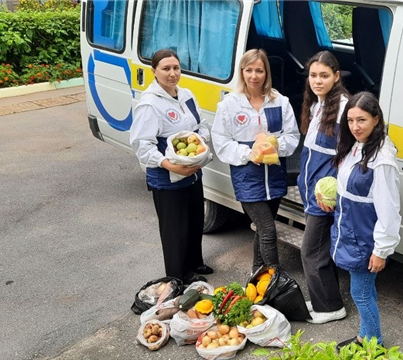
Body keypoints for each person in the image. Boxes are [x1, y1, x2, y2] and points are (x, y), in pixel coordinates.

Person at [129, 49, 213, 285]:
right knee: (174, 229)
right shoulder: (149, 104)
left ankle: (195, 262)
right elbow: (142, 145)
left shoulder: (186, 94)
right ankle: (179, 276)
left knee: (195, 220)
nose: (172, 73)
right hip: (167, 177)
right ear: (154, 71)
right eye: (166, 69)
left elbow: (201, 124)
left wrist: (201, 142)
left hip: (192, 171)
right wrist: (170, 166)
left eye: (176, 68)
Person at [211, 49, 300, 272]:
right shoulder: (230, 104)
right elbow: (221, 140)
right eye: (249, 70)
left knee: (262, 230)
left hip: (274, 178)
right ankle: (275, 280)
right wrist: (248, 154)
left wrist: (276, 145)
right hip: (247, 177)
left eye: (259, 70)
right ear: (242, 72)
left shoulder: (280, 101)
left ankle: (257, 275)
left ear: (266, 73)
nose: (254, 76)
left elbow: (293, 136)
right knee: (269, 230)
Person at [327, 92, 401, 350]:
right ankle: (364, 337)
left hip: (365, 236)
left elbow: (389, 210)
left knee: (359, 292)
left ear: (376, 119)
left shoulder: (381, 160)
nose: (355, 127)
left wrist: (381, 250)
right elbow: (348, 187)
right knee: (364, 291)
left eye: (362, 120)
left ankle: (375, 344)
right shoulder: (355, 146)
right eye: (350, 120)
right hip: (350, 231)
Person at [296, 51, 349, 324]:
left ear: (336, 76)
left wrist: (333, 192)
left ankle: (330, 307)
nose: (317, 81)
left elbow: (349, 158)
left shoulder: (343, 109)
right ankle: (322, 299)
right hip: (312, 191)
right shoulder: (319, 104)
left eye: (324, 76)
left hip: (323, 196)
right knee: (320, 250)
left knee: (311, 251)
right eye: (313, 75)